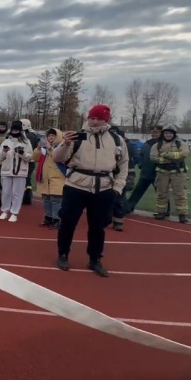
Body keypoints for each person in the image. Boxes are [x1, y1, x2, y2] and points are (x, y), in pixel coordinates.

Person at [51, 104, 128, 277]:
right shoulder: (76, 136)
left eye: (98, 119)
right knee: (68, 222)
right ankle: (63, 254)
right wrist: (65, 143)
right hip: (76, 186)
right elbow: (57, 158)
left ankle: (95, 259)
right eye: (91, 118)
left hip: (104, 188)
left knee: (98, 227)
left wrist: (117, 188)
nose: (94, 122)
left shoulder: (116, 140)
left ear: (105, 120)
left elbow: (123, 165)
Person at [151, 124, 190, 223]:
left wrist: (166, 155)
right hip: (162, 172)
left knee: (180, 194)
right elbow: (153, 157)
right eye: (166, 133)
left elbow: (184, 154)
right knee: (161, 193)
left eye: (170, 133)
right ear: (163, 134)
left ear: (174, 134)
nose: (168, 135)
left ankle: (182, 214)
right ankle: (161, 212)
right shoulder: (157, 145)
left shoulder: (181, 143)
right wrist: (164, 160)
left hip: (178, 172)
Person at [0, 120, 33, 222]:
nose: (15, 131)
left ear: (21, 130)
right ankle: (4, 211)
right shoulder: (6, 141)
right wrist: (4, 151)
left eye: (17, 130)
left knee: (17, 193)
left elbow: (29, 158)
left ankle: (14, 213)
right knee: (6, 192)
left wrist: (22, 153)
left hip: (20, 171)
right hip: (6, 170)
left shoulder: (26, 142)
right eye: (13, 129)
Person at [127, 126, 168, 214]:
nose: (154, 131)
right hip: (145, 172)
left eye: (157, 130)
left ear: (161, 132)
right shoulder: (146, 144)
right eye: (152, 130)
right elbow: (140, 155)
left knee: (161, 193)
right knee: (137, 191)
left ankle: (164, 211)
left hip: (158, 173)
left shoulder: (164, 144)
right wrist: (141, 165)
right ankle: (128, 207)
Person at [31, 127, 66, 229]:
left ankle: (57, 220)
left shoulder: (61, 146)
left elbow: (59, 157)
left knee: (56, 200)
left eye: (53, 135)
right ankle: (48, 217)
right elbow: (35, 158)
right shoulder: (44, 148)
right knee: (46, 199)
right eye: (49, 135)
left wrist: (49, 148)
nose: (50, 137)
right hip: (45, 177)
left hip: (57, 177)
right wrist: (38, 149)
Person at [108, 127, 139, 231]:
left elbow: (132, 158)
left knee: (119, 198)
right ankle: (106, 218)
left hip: (122, 173)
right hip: (107, 175)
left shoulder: (127, 145)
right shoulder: (105, 145)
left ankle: (118, 221)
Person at [20, 118, 40, 205]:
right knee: (28, 179)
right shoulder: (34, 135)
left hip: (25, 160)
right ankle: (28, 197)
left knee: (24, 179)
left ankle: (25, 198)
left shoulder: (26, 136)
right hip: (32, 160)